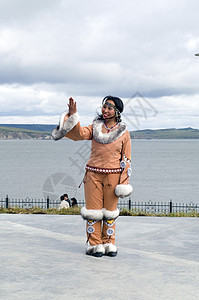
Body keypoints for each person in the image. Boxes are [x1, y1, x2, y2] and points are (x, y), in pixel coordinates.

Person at [52, 96, 133, 257]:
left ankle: (109, 242)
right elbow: (80, 134)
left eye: (110, 107)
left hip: (114, 175)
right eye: (104, 106)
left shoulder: (123, 132)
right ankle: (95, 245)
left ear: (116, 111)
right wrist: (73, 115)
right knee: (93, 211)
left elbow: (126, 158)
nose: (105, 110)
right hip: (93, 174)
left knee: (110, 211)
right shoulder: (95, 127)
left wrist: (124, 181)